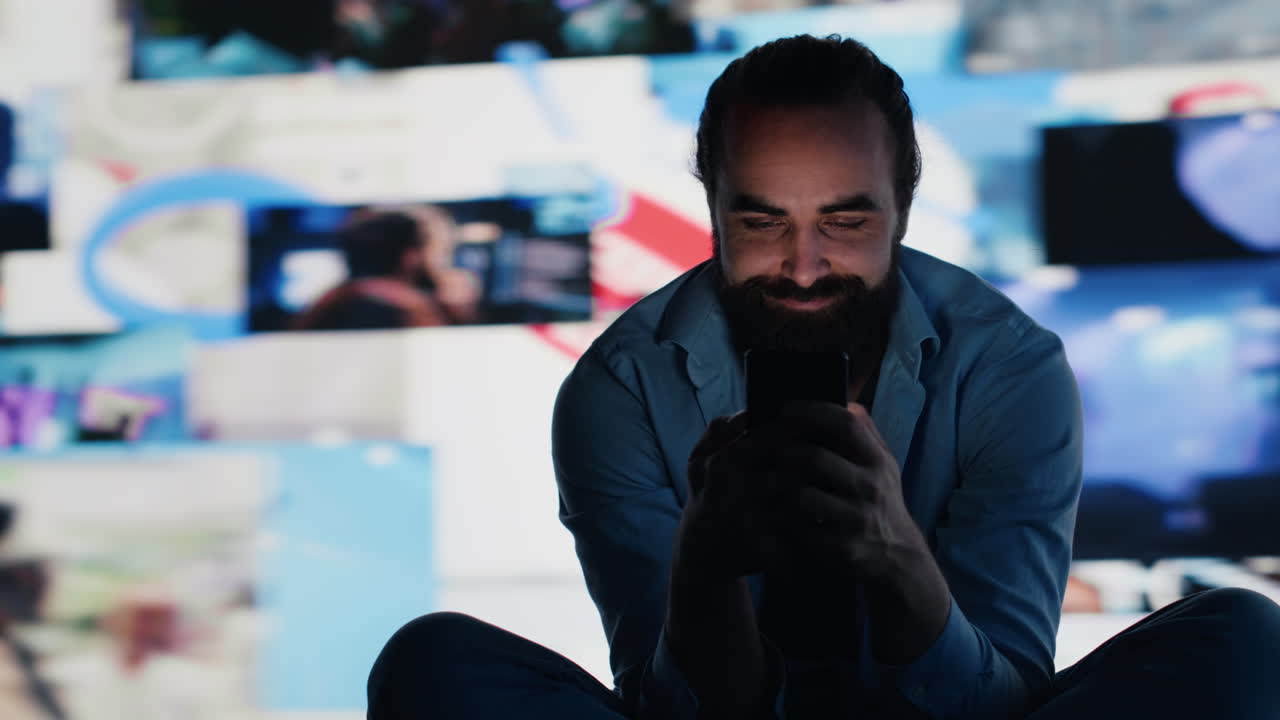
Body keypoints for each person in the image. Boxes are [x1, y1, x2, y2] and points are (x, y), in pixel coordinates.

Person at [366, 35, 1280, 719]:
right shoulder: (623, 387)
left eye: (845, 222)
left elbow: (1004, 701)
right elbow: (676, 711)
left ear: (905, 201)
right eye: (762, 223)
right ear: (712, 203)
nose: (803, 268)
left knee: (1242, 638)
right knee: (433, 662)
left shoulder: (1010, 366)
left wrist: (896, 558)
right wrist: (707, 571)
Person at [292, 207, 480, 331]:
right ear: (411, 256)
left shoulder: (329, 302)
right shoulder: (393, 310)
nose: (445, 266)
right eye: (442, 252)